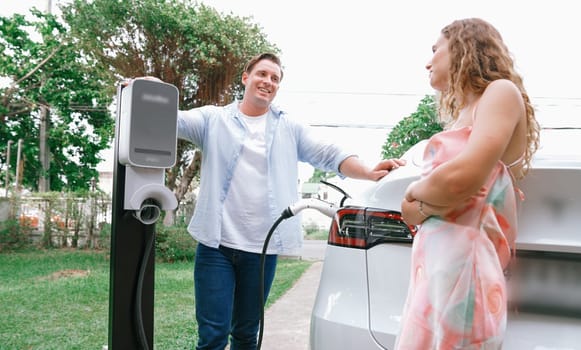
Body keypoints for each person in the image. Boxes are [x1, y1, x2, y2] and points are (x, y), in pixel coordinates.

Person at [163, 53, 405, 350]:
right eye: (262, 74)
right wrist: (148, 91)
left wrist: (368, 171)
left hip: (261, 250)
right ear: (246, 77)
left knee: (246, 335)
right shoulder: (213, 120)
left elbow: (328, 153)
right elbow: (173, 119)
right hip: (216, 248)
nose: (268, 82)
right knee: (212, 336)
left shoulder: (288, 127)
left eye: (275, 78)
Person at [394, 18, 540, 349]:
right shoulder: (465, 114)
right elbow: (413, 214)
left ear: (463, 47)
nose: (428, 61)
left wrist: (413, 192)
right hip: (436, 269)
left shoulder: (500, 92)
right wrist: (426, 202)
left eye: (435, 50)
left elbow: (465, 177)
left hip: (466, 269)